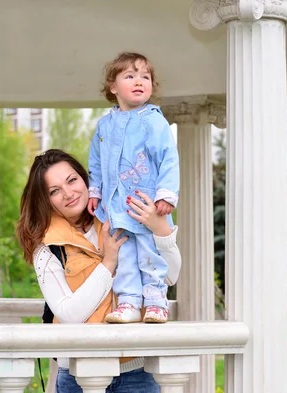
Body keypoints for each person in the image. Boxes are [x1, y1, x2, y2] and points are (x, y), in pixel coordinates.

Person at [15, 149, 181, 393]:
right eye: (54, 191)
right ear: (45, 200)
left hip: (137, 373)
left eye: (72, 180)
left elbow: (169, 276)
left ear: (85, 179)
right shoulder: (48, 247)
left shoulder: (120, 219)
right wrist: (109, 262)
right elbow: (69, 314)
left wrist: (161, 230)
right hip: (78, 376)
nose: (68, 193)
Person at [87, 52, 180, 324]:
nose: (139, 81)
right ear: (113, 87)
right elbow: (95, 160)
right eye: (130, 76)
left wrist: (166, 194)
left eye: (145, 77)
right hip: (116, 207)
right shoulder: (104, 125)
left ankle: (155, 303)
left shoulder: (152, 119)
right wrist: (95, 191)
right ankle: (128, 303)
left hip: (145, 205)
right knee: (125, 257)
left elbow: (168, 158)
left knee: (151, 256)